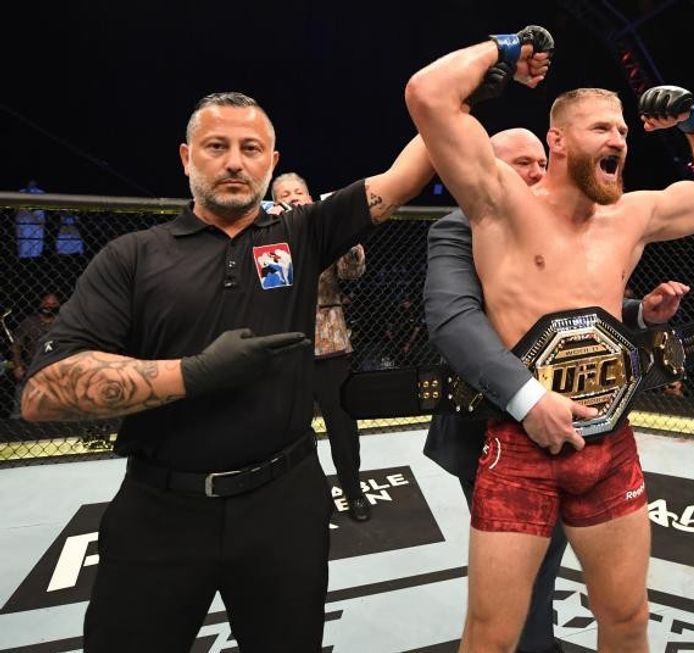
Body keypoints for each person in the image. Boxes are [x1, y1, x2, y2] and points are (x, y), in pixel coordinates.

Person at [20, 91, 433, 652]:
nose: (235, 162)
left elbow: (407, 173)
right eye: (217, 146)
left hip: (284, 501)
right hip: (161, 508)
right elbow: (42, 392)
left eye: (251, 149)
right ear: (187, 157)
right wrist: (193, 374)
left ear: (271, 161)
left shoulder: (303, 233)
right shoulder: (134, 256)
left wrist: (471, 83)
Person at [406, 27, 694, 652]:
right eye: (601, 128)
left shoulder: (631, 217)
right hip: (522, 445)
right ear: (559, 142)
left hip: (609, 442)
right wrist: (504, 49)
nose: (618, 139)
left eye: (622, 129)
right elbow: (429, 94)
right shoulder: (500, 204)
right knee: (492, 635)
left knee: (627, 617)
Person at [423, 127, 690, 653]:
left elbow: (576, 310)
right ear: (485, 171)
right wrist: (529, 399)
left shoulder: (569, 220)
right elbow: (457, 320)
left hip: (581, 428)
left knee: (561, 565)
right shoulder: (460, 226)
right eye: (520, 163)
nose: (536, 173)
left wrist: (638, 313)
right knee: (522, 580)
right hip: (493, 425)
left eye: (540, 163)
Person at [270, 172, 373, 522]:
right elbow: (272, 284)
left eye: (299, 192)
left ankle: (354, 492)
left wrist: (345, 229)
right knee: (289, 430)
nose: (293, 197)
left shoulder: (327, 231)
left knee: (343, 428)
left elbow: (352, 271)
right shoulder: (267, 236)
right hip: (286, 349)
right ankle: (298, 496)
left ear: (311, 198)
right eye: (285, 194)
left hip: (330, 346)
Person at [9, 292, 61, 418]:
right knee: (20, 410)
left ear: (59, 305)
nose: (49, 306)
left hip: (55, 370)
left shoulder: (63, 323)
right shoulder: (29, 323)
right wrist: (17, 365)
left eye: (53, 304)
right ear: (40, 303)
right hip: (30, 369)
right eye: (46, 303)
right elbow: (17, 346)